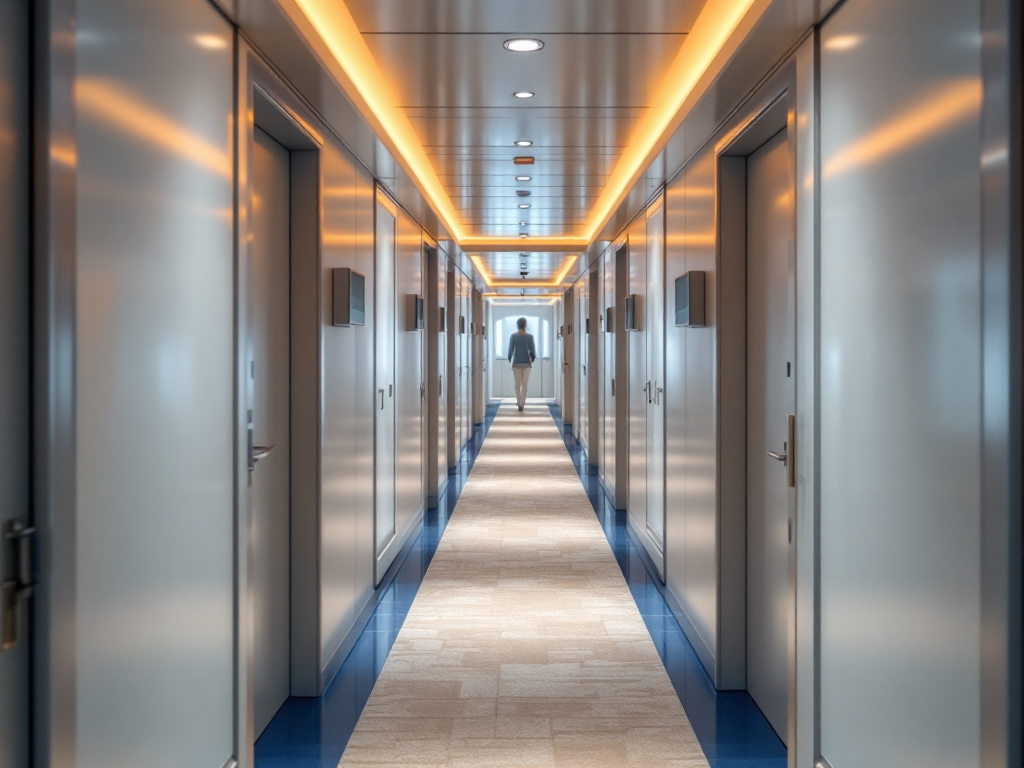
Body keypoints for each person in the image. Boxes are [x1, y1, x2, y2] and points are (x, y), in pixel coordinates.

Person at [507, 317, 537, 411]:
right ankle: (522, 403)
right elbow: (533, 351)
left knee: (517, 384)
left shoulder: (513, 336)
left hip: (516, 363)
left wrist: (509, 359)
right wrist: (531, 360)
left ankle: (519, 400)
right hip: (527, 363)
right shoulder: (530, 336)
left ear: (517, 325)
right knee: (524, 384)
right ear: (525, 325)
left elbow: (510, 350)